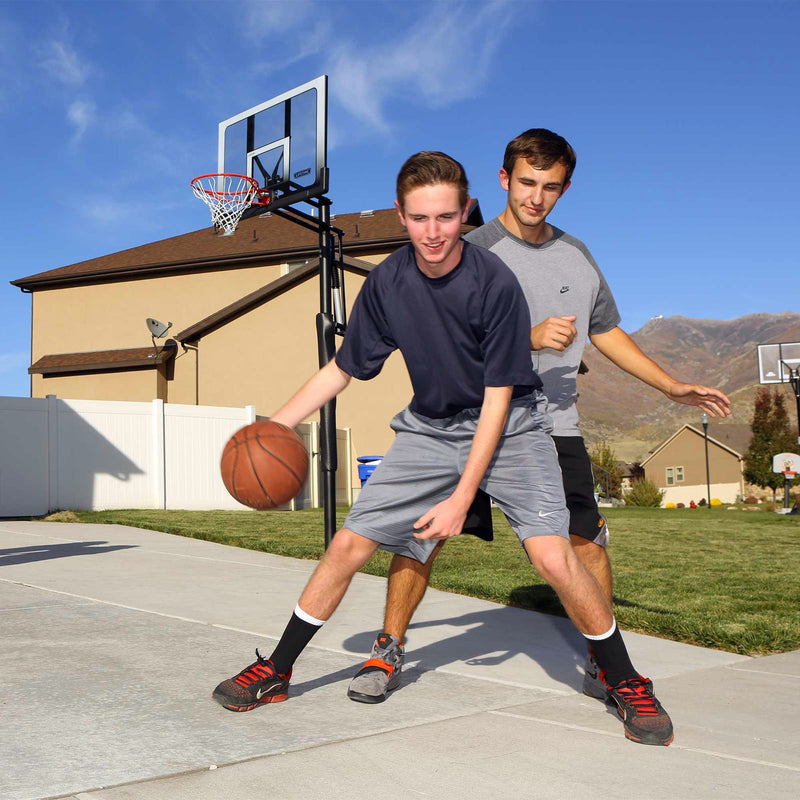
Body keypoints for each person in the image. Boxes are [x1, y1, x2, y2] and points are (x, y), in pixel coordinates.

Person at [213, 150, 674, 746]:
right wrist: (271, 426)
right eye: (419, 218)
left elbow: (498, 397)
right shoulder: (387, 283)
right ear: (401, 216)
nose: (433, 233)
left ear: (466, 213)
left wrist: (461, 498)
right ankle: (277, 668)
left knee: (553, 557)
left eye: (447, 218)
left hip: (510, 426)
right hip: (429, 429)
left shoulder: (493, 283)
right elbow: (342, 370)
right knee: (348, 544)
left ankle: (623, 677)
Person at [347, 129, 731, 718]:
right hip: (468, 423)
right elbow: (446, 346)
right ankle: (388, 647)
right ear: (504, 180)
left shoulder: (576, 255)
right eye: (527, 182)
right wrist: (526, 338)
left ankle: (606, 667)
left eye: (550, 187)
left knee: (586, 541)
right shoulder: (466, 252)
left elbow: (605, 333)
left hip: (554, 424)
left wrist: (674, 386)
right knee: (420, 539)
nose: (536, 197)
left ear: (565, 189)